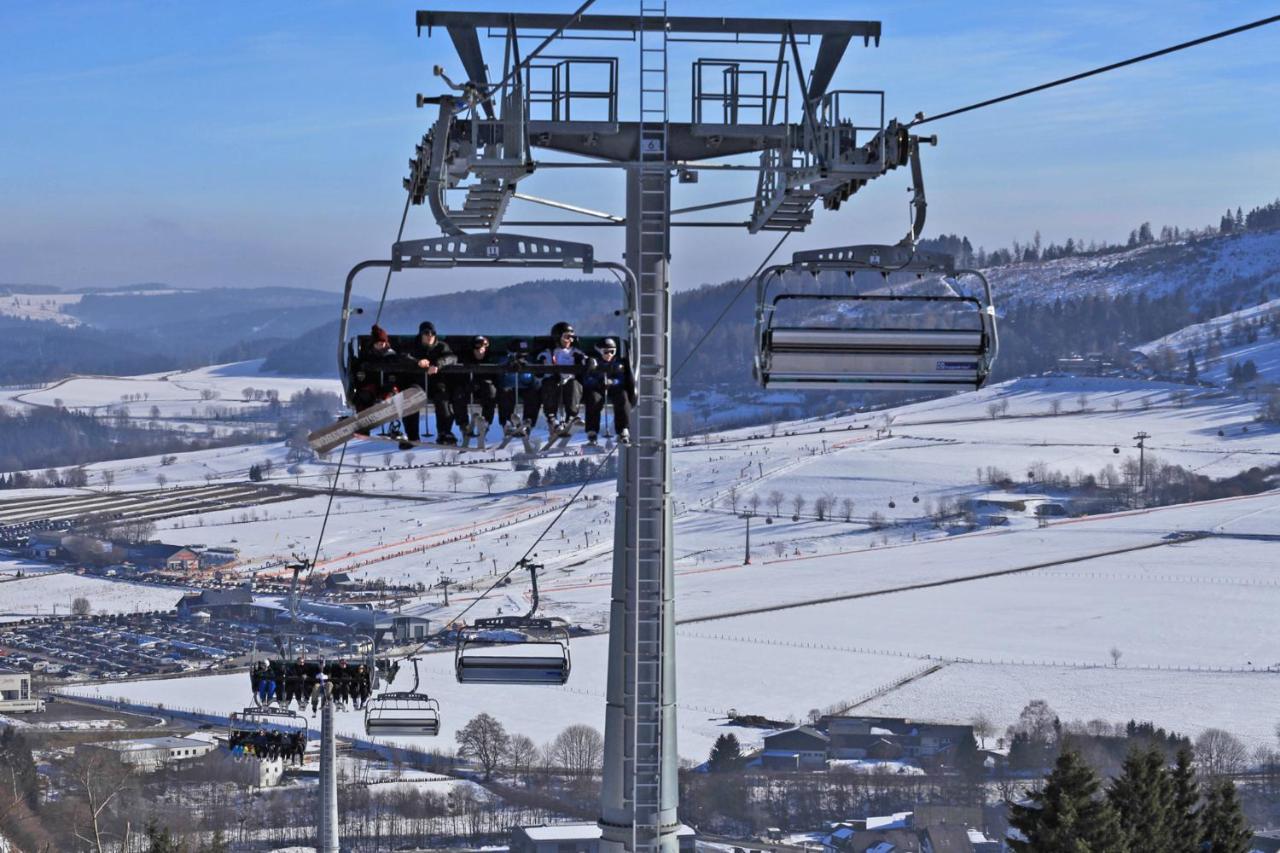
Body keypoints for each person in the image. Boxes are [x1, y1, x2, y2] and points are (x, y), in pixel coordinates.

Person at [406, 321, 458, 446]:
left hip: (436, 384)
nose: (430, 335)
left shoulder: (441, 346)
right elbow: (404, 356)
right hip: (418, 383)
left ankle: (444, 432)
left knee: (442, 398)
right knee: (411, 397)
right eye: (426, 333)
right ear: (421, 334)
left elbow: (452, 358)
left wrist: (438, 364)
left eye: (432, 333)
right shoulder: (413, 346)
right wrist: (417, 362)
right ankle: (412, 436)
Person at [537, 321, 591, 434]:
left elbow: (585, 359)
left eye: (572, 337)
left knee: (574, 384)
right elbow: (542, 362)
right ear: (557, 337)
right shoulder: (550, 352)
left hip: (570, 382)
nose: (570, 340)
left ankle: (571, 417)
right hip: (554, 382)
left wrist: (587, 362)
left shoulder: (576, 352)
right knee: (549, 382)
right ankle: (552, 418)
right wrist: (543, 364)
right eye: (567, 337)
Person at [583, 337, 635, 445]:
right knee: (593, 399)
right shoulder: (593, 362)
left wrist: (612, 382)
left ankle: (623, 429)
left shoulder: (618, 363)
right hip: (598, 388)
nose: (609, 355)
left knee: (623, 398)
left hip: (614, 389)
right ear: (600, 351)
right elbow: (587, 379)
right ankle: (592, 430)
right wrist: (598, 382)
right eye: (606, 352)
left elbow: (622, 379)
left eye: (612, 352)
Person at [452, 335, 498, 440]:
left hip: (484, 388)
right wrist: (467, 383)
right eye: (478, 346)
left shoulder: (490, 359)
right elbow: (458, 377)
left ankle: (485, 423)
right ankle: (464, 425)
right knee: (459, 393)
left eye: (484, 346)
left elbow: (495, 377)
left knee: (491, 390)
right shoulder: (465, 358)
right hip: (468, 386)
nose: (481, 349)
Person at [497, 338, 542, 434]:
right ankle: (507, 422)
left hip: (525, 387)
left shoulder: (529, 360)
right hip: (509, 387)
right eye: (520, 354)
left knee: (533, 395)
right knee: (506, 393)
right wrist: (510, 364)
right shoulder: (505, 359)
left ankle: (528, 422)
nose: (523, 356)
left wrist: (526, 367)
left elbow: (533, 380)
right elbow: (500, 374)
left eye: (525, 354)